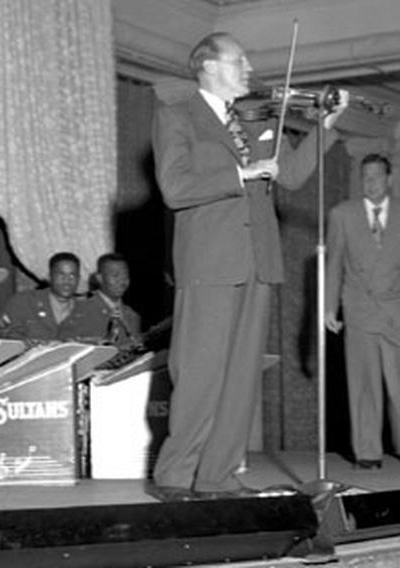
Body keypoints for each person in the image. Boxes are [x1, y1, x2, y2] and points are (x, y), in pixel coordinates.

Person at [149, 32, 347, 501]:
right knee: (200, 373)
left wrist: (327, 125)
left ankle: (217, 476)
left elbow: (292, 175)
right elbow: (174, 188)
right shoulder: (177, 115)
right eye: (240, 60)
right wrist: (240, 174)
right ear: (209, 66)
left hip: (258, 262)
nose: (249, 69)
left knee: (240, 378)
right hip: (210, 263)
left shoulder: (247, 123)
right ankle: (175, 476)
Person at [326, 154, 400, 470]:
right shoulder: (343, 214)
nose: (370, 183)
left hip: (395, 311)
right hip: (358, 309)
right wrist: (330, 307)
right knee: (363, 385)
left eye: (376, 176)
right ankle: (368, 453)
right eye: (365, 177)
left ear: (390, 179)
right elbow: (334, 264)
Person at [0, 252, 102, 343]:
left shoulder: (89, 312)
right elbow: (2, 338)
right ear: (49, 277)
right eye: (61, 275)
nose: (67, 282)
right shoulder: (23, 302)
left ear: (79, 279)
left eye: (72, 276)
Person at [90, 253, 141, 349]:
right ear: (99, 278)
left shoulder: (132, 315)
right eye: (115, 276)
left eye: (125, 276)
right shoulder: (82, 308)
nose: (122, 281)